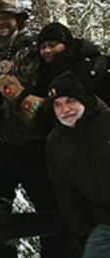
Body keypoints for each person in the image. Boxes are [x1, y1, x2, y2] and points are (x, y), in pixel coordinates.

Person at [0, 0, 64, 258]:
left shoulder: (32, 47)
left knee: (47, 205)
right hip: (0, 144)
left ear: (16, 20)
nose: (2, 23)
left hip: (34, 140)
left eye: (7, 18)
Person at [46, 71, 110, 258]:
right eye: (57, 105)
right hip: (103, 224)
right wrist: (81, 232)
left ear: (83, 100)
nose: (65, 109)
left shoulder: (106, 122)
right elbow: (65, 194)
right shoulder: (55, 143)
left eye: (70, 101)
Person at [34, 22, 110, 106]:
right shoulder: (42, 73)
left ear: (66, 44)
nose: (47, 51)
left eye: (53, 45)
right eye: (42, 47)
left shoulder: (86, 67)